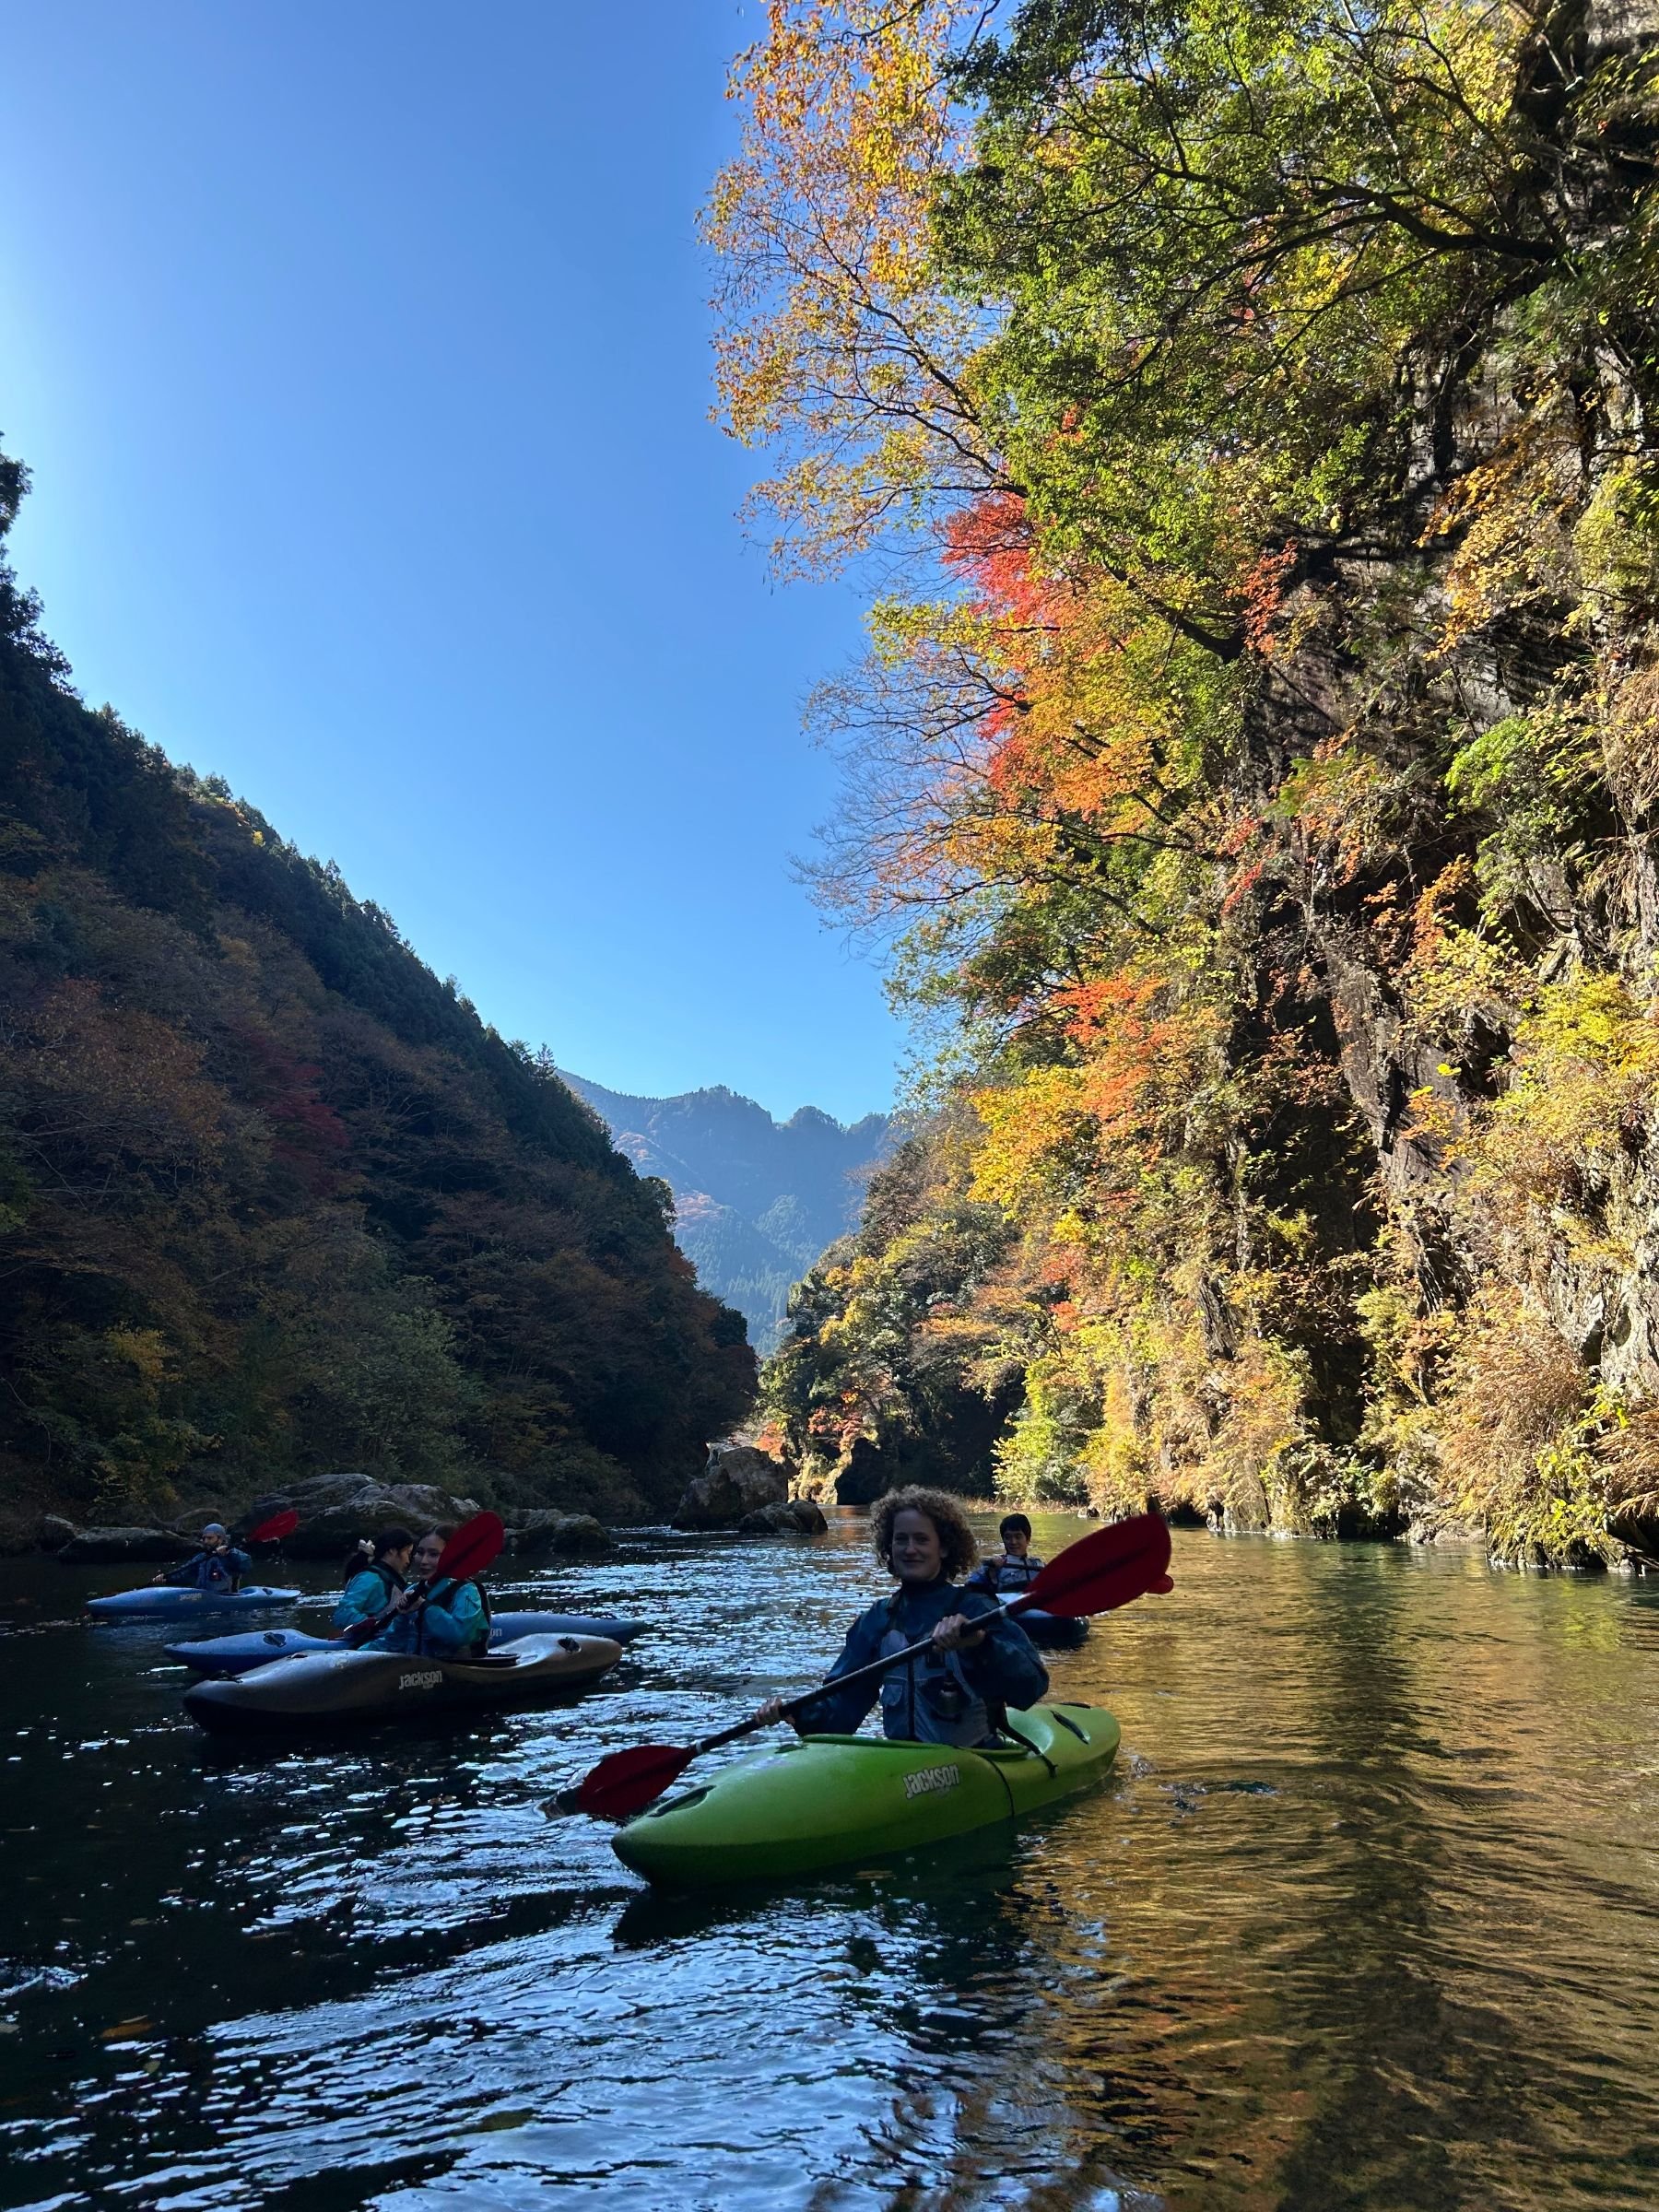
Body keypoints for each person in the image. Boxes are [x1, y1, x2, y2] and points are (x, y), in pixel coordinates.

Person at [755, 1485, 1048, 1747]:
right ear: (889, 1547)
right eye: (901, 1539)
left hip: (975, 1762)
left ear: (944, 1547)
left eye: (922, 1539)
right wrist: (796, 1713)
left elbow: (1031, 1687)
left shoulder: (976, 1610)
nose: (910, 1549)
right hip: (904, 1768)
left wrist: (981, 1644)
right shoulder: (876, 1621)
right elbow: (840, 1715)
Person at [362, 1526, 491, 1658]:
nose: (423, 1561)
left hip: (455, 1668)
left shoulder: (466, 1591)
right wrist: (357, 1653)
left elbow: (460, 1635)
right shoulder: (413, 1590)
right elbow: (393, 1642)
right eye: (420, 1552)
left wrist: (424, 1607)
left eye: (433, 1554)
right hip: (417, 1668)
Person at [333, 1527, 415, 1636]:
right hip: (368, 1642)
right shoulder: (369, 1578)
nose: (408, 1560)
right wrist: (375, 1624)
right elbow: (343, 1615)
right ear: (392, 1550)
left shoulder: (390, 1578)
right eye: (407, 1553)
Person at [151, 1523, 251, 1594]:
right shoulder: (201, 1557)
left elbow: (246, 1564)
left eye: (210, 1538)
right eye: (204, 1538)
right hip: (204, 1598)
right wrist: (166, 1578)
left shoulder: (230, 1555)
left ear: (220, 1539)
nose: (205, 1541)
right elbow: (184, 1573)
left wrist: (230, 1553)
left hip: (227, 1599)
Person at [966, 1512, 1044, 1599]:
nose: (1013, 1542)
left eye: (1018, 1537)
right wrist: (990, 1573)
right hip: (1007, 1605)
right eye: (1008, 1537)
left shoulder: (1039, 1565)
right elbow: (970, 1588)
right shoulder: (992, 1566)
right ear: (1003, 1540)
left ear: (1028, 1539)